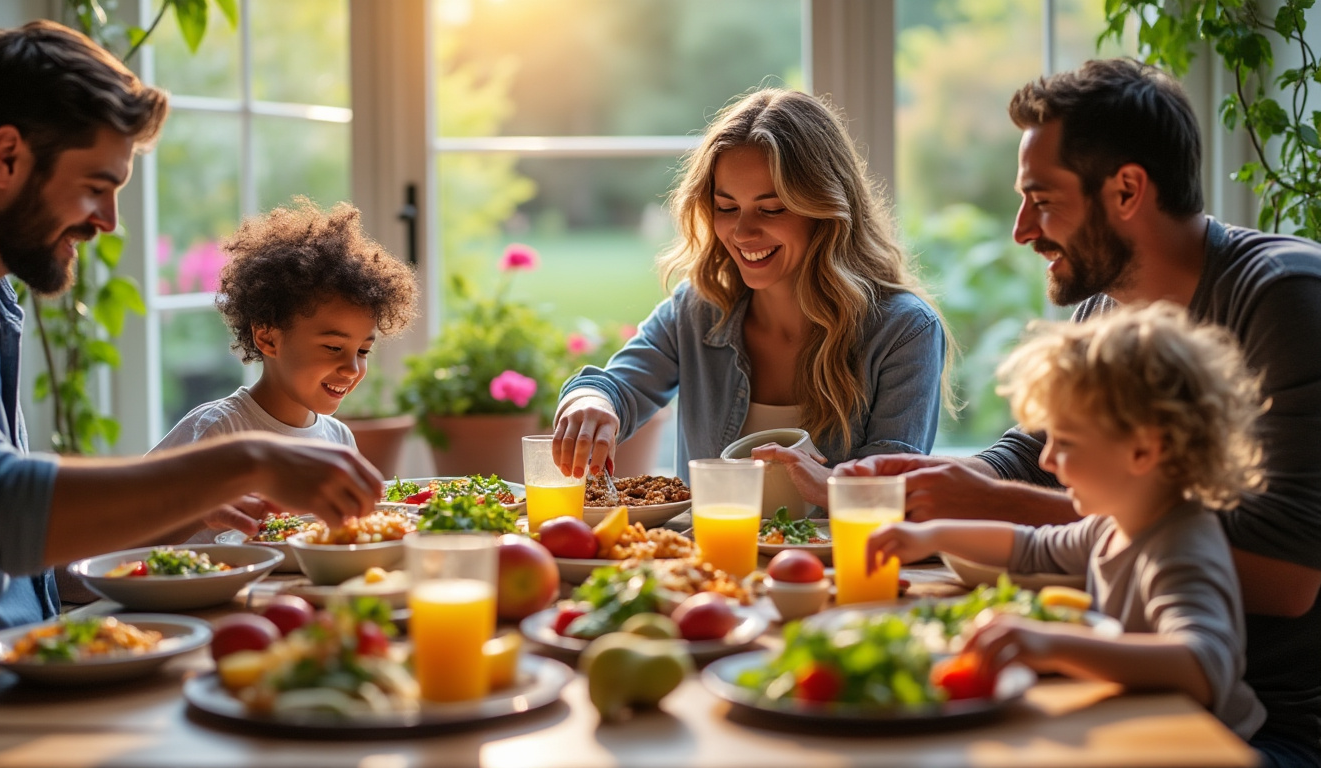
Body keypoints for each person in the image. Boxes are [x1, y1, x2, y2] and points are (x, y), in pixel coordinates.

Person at [839, 59, 1321, 765]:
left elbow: (1288, 578)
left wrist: (1002, 504)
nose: (1020, 231)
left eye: (1042, 200)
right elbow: (1035, 451)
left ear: (1127, 190)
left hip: (1253, 730)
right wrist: (935, 485)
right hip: (1123, 693)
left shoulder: (1285, 297)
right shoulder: (1108, 302)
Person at [0, 20, 382, 635]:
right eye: (96, 187)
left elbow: (30, 566)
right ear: (7, 157)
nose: (108, 221)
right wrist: (247, 459)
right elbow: (0, 504)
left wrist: (184, 508)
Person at [867, 303, 1266, 739]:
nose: (1046, 459)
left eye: (1067, 442)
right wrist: (930, 536)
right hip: (1136, 726)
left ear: (1143, 451)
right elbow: (1027, 546)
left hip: (1202, 745)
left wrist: (1050, 644)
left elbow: (1203, 666)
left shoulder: (1179, 545)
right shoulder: (1113, 526)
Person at [552, 88, 951, 494]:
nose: (742, 232)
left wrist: (830, 484)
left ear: (827, 211)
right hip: (709, 541)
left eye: (771, 209)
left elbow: (892, 489)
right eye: (727, 207)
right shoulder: (698, 310)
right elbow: (616, 386)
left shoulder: (905, 332)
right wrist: (590, 402)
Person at [154, 197, 417, 453]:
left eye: (363, 351)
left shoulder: (339, 440)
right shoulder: (217, 432)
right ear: (268, 338)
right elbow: (142, 484)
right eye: (334, 347)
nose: (352, 369)